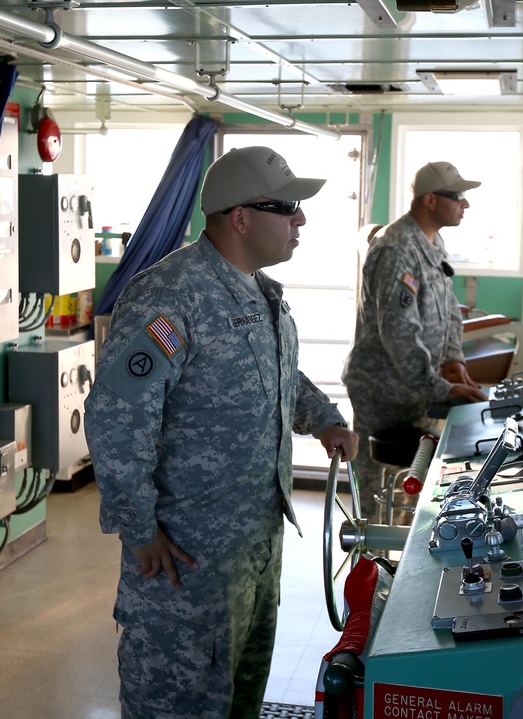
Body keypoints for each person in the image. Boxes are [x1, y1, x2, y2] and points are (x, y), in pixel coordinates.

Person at [84, 145, 359, 719]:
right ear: (240, 217)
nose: (300, 219)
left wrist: (324, 418)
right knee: (181, 704)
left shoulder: (260, 292)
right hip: (187, 560)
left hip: (254, 548)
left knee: (240, 697)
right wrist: (138, 530)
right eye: (288, 207)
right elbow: (117, 417)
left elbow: (280, 374)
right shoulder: (169, 296)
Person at [343, 161, 488, 524]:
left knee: (410, 490)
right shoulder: (396, 250)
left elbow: (449, 308)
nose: (465, 204)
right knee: (377, 501)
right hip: (384, 390)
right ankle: (371, 563)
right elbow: (399, 333)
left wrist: (454, 360)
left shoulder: (432, 242)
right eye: (458, 197)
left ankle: (401, 560)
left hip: (416, 389)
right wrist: (439, 388)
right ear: (430, 200)